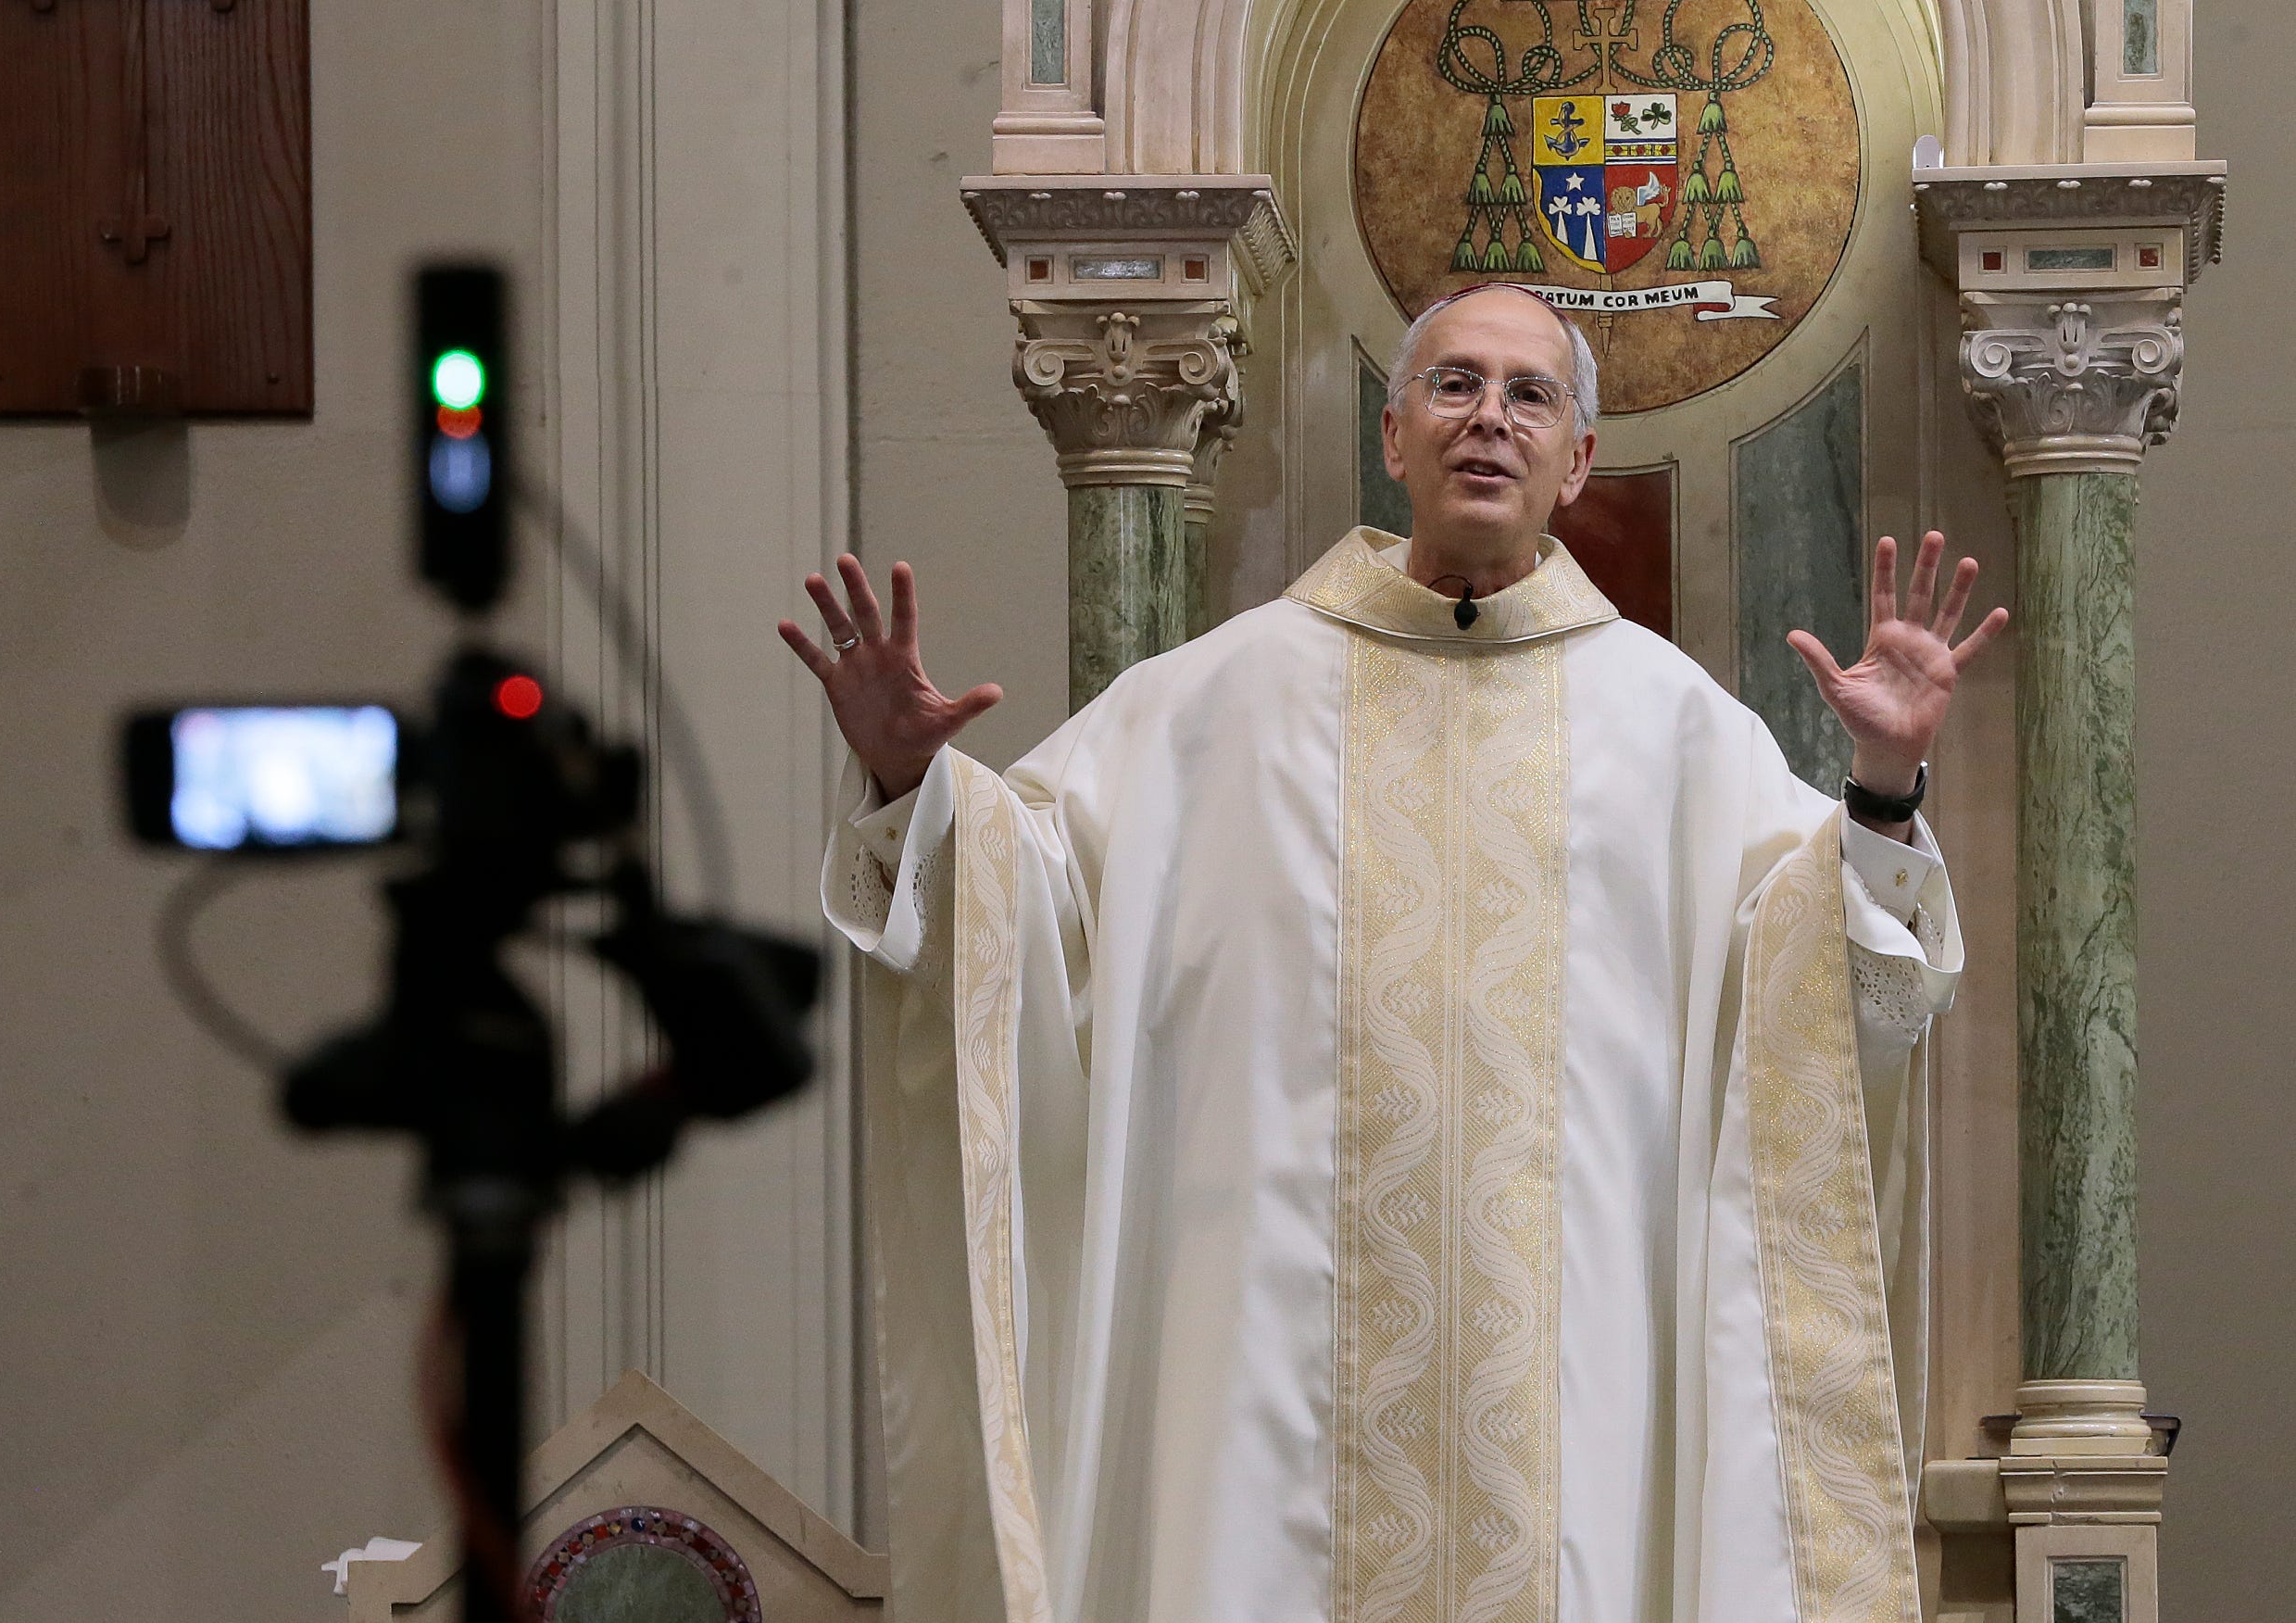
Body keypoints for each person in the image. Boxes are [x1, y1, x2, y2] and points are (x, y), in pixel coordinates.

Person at [779, 283, 2005, 1623]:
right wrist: (913, 787)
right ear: (1395, 434)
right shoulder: (1213, 704)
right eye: (1456, 386)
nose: (1491, 419)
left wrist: (1884, 790)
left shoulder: (1678, 732)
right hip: (1268, 1394)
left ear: (1579, 458)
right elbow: (1023, 904)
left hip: (1576, 1399)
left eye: (1531, 394)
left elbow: (1840, 1003)